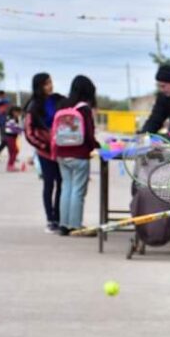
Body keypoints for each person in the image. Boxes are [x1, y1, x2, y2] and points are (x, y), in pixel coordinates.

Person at [54, 75, 99, 235]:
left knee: (66, 187)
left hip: (61, 154)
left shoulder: (63, 105)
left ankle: (63, 224)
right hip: (79, 155)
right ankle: (75, 225)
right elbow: (88, 133)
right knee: (78, 190)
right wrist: (97, 146)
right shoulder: (84, 109)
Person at [24, 73, 63, 233]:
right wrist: (42, 146)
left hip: (61, 149)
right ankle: (50, 219)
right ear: (39, 86)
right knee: (49, 184)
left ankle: (60, 216)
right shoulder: (33, 106)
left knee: (62, 183)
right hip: (45, 152)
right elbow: (28, 132)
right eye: (46, 84)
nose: (50, 86)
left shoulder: (58, 100)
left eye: (51, 82)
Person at [4, 106, 23, 172]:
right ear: (14, 112)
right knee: (14, 151)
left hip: (14, 137)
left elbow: (17, 127)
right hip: (10, 137)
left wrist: (20, 130)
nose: (19, 114)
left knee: (13, 151)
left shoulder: (16, 119)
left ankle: (11, 165)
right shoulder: (10, 119)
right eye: (18, 113)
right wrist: (20, 130)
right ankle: (10, 165)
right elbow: (12, 128)